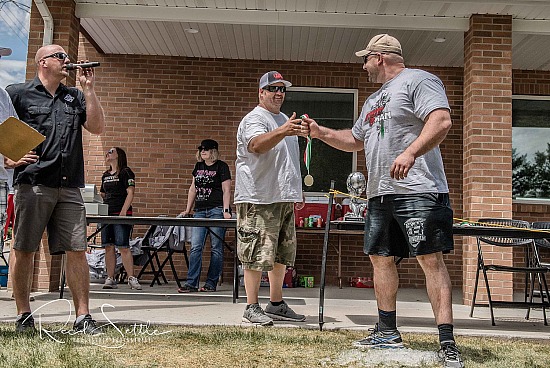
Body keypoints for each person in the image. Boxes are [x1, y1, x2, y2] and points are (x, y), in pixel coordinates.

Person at [305, 34, 464, 368]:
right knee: (380, 259)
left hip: (419, 189)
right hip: (380, 194)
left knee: (430, 261)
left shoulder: (419, 80)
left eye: (365, 60)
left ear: (379, 57)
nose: (363, 67)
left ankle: (447, 343)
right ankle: (387, 332)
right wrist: (321, 133)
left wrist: (410, 152)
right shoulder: (373, 100)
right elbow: (355, 139)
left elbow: (441, 120)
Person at [5, 44, 105, 334]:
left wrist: (88, 89)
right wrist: (7, 157)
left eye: (67, 57)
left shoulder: (73, 96)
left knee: (77, 249)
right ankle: (24, 315)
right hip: (32, 184)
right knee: (24, 249)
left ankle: (82, 317)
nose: (67, 61)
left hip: (69, 186)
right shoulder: (18, 93)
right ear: (43, 63)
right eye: (60, 56)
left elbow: (97, 127)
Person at [235, 71, 308, 326]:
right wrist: (284, 130)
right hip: (258, 198)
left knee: (281, 254)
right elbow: (256, 146)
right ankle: (251, 306)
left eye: (282, 89)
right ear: (261, 93)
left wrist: (296, 191)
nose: (279, 93)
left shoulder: (284, 119)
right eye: (273, 88)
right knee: (255, 252)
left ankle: (276, 304)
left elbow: (286, 161)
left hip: (283, 197)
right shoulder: (255, 118)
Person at [177, 139, 232, 293]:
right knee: (196, 246)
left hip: (216, 210)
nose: (203, 151)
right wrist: (188, 210)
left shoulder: (222, 166)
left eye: (206, 149)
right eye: (201, 149)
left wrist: (226, 210)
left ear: (213, 151)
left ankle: (210, 283)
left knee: (216, 248)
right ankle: (191, 283)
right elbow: (193, 189)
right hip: (200, 210)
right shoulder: (198, 166)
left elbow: (226, 189)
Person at [100, 147, 141, 290]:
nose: (108, 153)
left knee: (123, 246)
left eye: (111, 151)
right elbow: (103, 194)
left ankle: (131, 278)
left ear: (119, 155)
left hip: (121, 212)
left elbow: (130, 193)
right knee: (108, 246)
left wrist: (124, 211)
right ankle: (110, 278)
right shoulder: (105, 175)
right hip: (106, 214)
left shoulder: (126, 172)